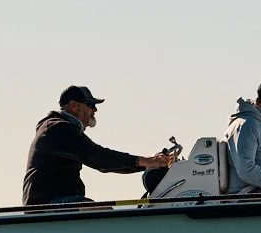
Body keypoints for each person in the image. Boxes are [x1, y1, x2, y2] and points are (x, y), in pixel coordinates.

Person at [22, 85, 175, 206]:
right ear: (74, 106)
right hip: (48, 203)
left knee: (99, 211)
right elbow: (98, 157)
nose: (95, 110)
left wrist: (148, 164)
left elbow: (102, 161)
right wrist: (146, 161)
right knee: (101, 212)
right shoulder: (58, 129)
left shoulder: (59, 129)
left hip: (55, 201)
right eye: (90, 104)